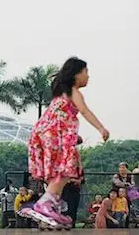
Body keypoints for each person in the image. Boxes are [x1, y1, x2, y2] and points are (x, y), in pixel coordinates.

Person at [27, 57, 110, 226]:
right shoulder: (73, 92)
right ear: (76, 74)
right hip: (55, 133)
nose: (88, 76)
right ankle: (45, 202)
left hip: (43, 132)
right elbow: (85, 111)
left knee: (64, 169)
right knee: (66, 168)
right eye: (86, 72)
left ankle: (53, 203)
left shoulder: (60, 94)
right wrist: (101, 128)